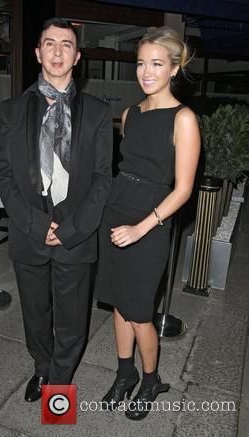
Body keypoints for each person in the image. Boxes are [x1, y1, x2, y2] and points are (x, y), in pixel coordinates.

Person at [0, 18, 112, 402]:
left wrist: (69, 229)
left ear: (77, 57)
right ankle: (42, 368)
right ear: (37, 53)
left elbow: (101, 181)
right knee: (35, 313)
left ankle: (59, 385)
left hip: (76, 234)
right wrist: (36, 224)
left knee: (73, 318)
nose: (57, 51)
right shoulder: (12, 110)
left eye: (66, 45)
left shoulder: (97, 113)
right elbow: (4, 174)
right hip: (30, 231)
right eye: (50, 43)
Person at [94, 26, 200, 420]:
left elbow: (184, 188)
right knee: (119, 306)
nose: (146, 71)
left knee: (139, 310)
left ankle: (151, 378)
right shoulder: (130, 113)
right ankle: (125, 374)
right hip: (117, 212)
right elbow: (124, 170)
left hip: (152, 221)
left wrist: (143, 226)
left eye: (156, 63)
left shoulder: (184, 118)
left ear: (174, 68)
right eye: (141, 63)